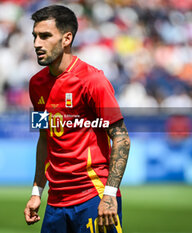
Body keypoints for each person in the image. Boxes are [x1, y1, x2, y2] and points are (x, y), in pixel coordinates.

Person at [24, 5, 130, 233]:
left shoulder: (92, 80)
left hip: (93, 195)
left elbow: (122, 138)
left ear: (66, 38)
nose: (36, 44)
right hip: (55, 201)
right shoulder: (36, 84)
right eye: (35, 36)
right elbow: (44, 139)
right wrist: (36, 192)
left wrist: (110, 194)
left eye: (45, 36)